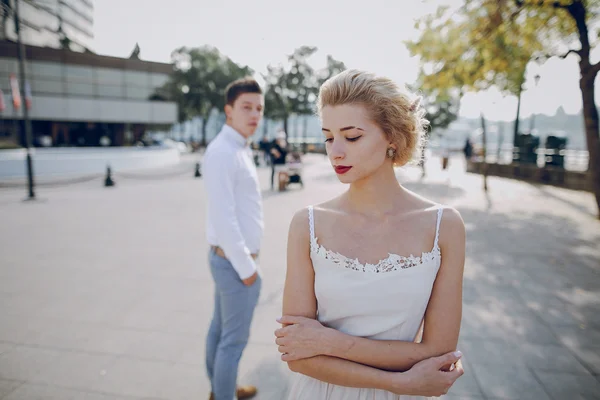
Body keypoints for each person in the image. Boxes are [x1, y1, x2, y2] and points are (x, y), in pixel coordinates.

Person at [274, 70, 466, 399]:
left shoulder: (443, 227)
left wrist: (328, 342)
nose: (335, 151)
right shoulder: (306, 225)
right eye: (328, 137)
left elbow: (438, 353)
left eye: (352, 137)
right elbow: (297, 355)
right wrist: (398, 381)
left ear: (392, 136)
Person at [203, 77, 264, 400]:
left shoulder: (238, 147)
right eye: (246, 107)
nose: (254, 114)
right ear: (228, 111)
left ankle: (221, 389)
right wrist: (248, 271)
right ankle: (222, 393)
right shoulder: (223, 152)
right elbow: (224, 219)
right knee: (232, 340)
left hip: (229, 259)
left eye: (258, 108)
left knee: (220, 330)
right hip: (233, 262)